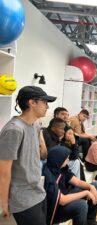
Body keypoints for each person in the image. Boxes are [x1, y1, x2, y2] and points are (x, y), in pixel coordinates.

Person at [0, 86, 56, 225]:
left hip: (38, 192)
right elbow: (3, 172)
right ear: (32, 102)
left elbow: (39, 155)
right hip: (23, 199)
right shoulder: (14, 129)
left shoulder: (35, 125)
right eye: (44, 102)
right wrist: (4, 202)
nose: (47, 107)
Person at [42, 146, 97, 225]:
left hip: (65, 196)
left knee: (95, 185)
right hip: (56, 209)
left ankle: (90, 220)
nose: (68, 160)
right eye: (66, 158)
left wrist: (91, 187)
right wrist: (86, 193)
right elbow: (62, 201)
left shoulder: (61, 168)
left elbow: (77, 182)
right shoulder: (48, 175)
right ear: (59, 159)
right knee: (81, 205)